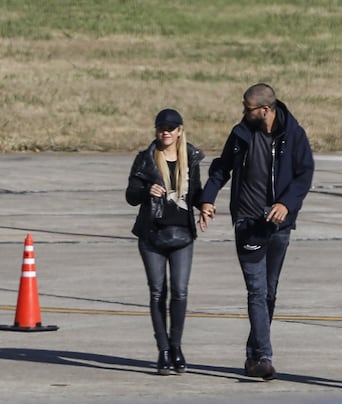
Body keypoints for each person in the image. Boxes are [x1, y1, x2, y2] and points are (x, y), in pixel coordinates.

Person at [199, 83, 314, 380]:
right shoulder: (240, 134)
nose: (243, 111)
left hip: (279, 225)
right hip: (248, 223)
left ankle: (253, 354)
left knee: (270, 291)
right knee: (257, 290)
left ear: (265, 109)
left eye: (247, 107)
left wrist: (286, 204)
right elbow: (221, 168)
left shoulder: (293, 135)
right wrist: (208, 198)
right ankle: (263, 357)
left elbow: (305, 173)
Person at [126, 108, 204, 375]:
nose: (166, 132)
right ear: (156, 130)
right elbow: (131, 195)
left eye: (171, 128)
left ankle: (177, 347)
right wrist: (146, 189)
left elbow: (196, 193)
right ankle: (163, 350)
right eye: (161, 127)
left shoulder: (191, 159)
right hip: (152, 236)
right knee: (158, 292)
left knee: (180, 292)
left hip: (183, 236)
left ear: (180, 131)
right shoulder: (145, 159)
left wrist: (206, 205)